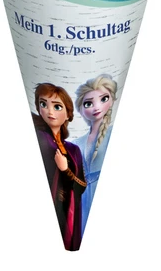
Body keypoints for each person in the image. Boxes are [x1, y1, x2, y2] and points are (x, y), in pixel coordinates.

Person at [33, 83, 87, 251]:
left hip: (69, 210)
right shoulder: (41, 138)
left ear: (68, 114)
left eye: (57, 107)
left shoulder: (73, 150)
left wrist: (65, 170)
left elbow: (81, 186)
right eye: (43, 104)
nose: (49, 111)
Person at [74, 74, 118, 235]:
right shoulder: (77, 143)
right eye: (88, 103)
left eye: (103, 99)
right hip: (82, 198)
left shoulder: (112, 133)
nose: (96, 107)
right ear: (81, 109)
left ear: (112, 100)